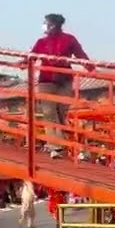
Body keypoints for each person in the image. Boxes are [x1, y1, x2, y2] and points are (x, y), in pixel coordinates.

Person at [31, 13, 93, 156]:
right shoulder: (41, 42)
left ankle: (62, 144)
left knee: (60, 111)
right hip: (46, 81)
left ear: (53, 25)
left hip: (64, 80)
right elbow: (32, 56)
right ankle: (55, 146)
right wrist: (22, 63)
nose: (44, 26)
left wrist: (91, 68)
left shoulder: (69, 39)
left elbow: (80, 54)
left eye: (46, 23)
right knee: (49, 112)